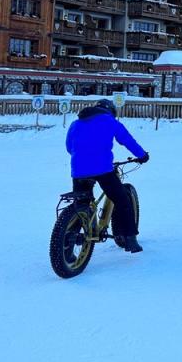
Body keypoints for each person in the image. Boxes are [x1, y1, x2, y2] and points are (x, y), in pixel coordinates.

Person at [65, 99, 149, 253]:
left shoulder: (76, 123)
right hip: (103, 169)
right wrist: (142, 155)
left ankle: (70, 245)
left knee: (81, 204)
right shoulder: (111, 121)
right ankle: (130, 239)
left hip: (78, 170)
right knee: (123, 200)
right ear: (111, 111)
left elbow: (69, 147)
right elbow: (128, 141)